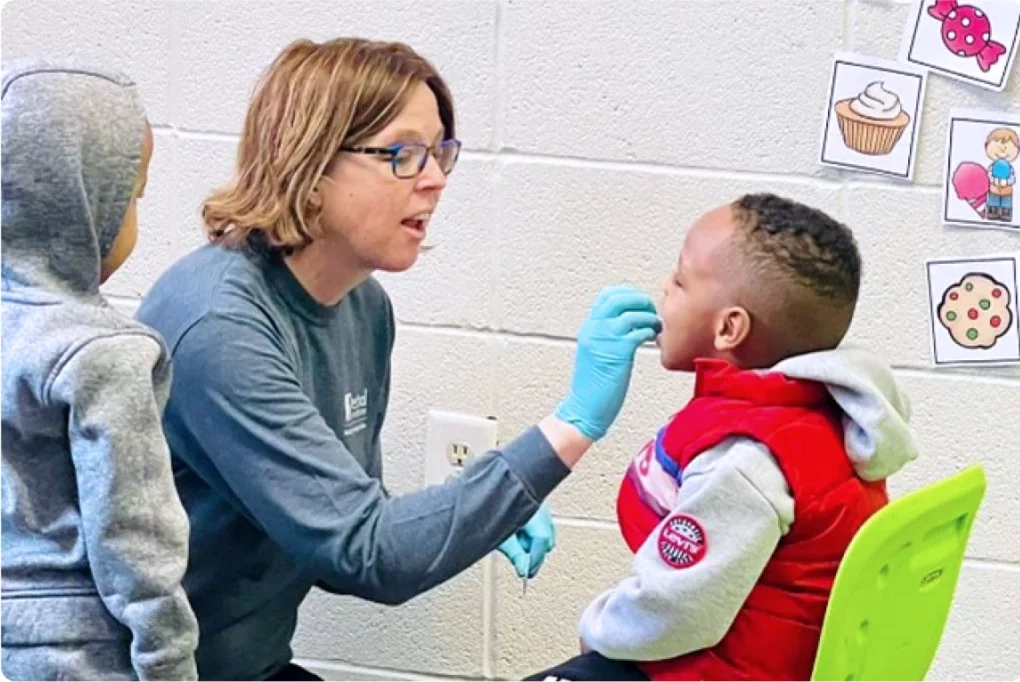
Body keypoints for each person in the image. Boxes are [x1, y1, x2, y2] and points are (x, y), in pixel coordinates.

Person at [135, 38, 662, 681]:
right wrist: (573, 423)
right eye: (402, 154)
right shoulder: (219, 323)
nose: (436, 178)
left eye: (440, 151)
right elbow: (366, 555)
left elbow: (333, 536)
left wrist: (475, 518)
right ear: (311, 159)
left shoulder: (364, 309)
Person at [527, 193, 918, 681]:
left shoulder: (747, 459)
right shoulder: (819, 413)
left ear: (729, 328)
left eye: (680, 278)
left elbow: (676, 609)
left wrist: (596, 631)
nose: (664, 289)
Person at [1, 61, 198, 680]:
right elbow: (137, 543)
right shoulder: (104, 353)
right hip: (76, 654)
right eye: (133, 196)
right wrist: (170, 665)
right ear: (86, 202)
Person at [985, 127, 1019, 223]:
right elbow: (989, 174)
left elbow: (1013, 178)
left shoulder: (1010, 168)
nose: (1002, 149)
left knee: (1006, 202)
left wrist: (1006, 181)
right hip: (994, 188)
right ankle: (992, 211)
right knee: (993, 201)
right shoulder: (992, 166)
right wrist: (994, 180)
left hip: (1007, 190)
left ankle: (1006, 212)